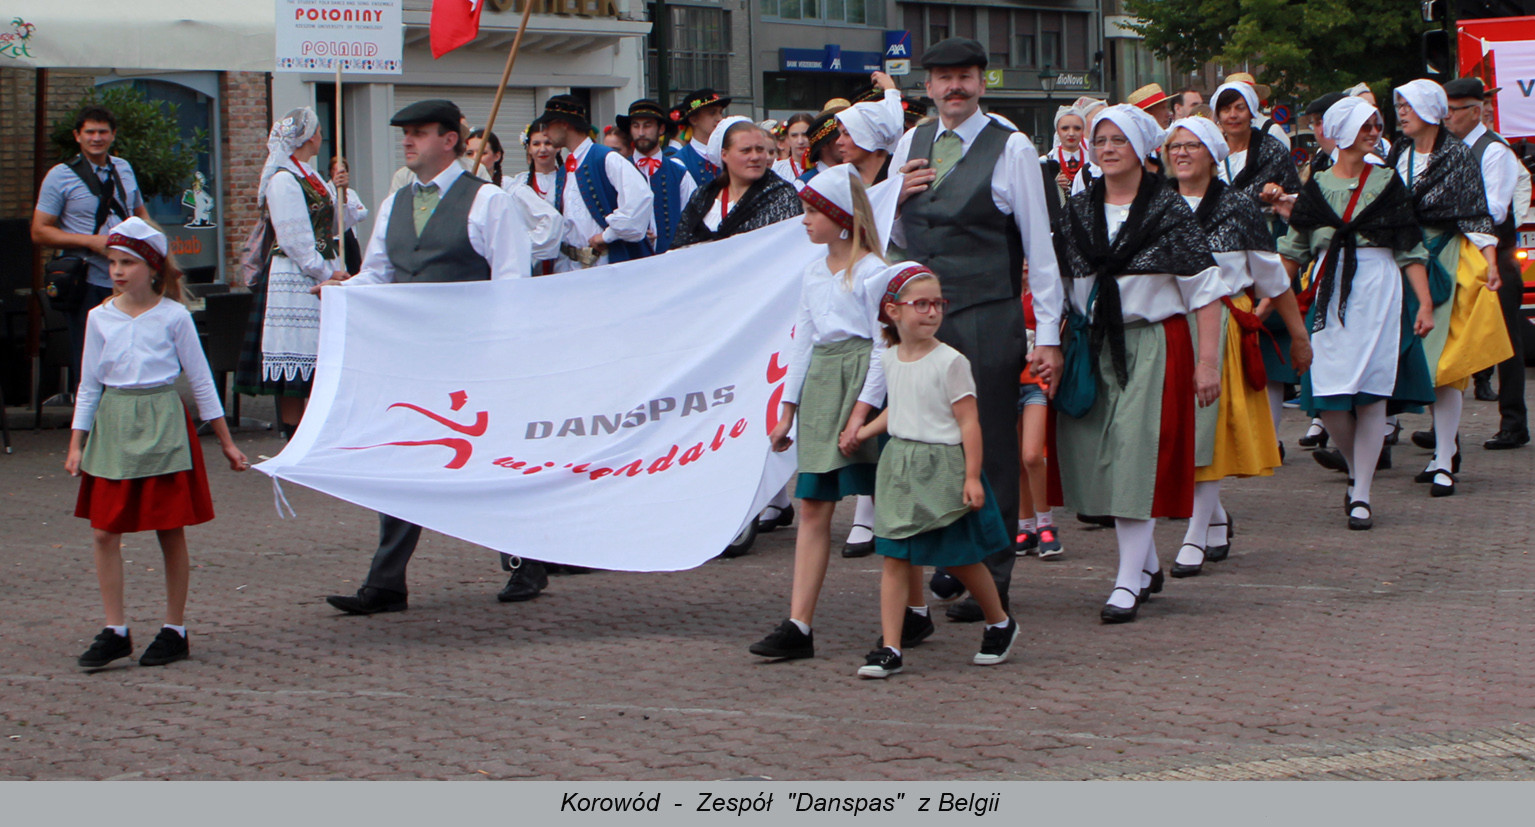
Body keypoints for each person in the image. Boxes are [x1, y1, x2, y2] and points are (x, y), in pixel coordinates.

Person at [321, 99, 532, 615]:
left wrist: (504, 355)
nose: (407, 141)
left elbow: (512, 284)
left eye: (419, 132)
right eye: (405, 133)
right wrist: (342, 290)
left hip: (471, 360)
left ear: (450, 140)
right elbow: (379, 274)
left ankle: (525, 561)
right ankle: (386, 582)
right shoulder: (395, 203)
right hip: (412, 359)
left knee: (488, 458)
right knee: (403, 456)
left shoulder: (488, 201)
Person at [889, 37, 1065, 623]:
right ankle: (953, 562)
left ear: (982, 83)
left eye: (965, 76)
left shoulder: (1011, 146)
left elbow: (1040, 248)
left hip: (988, 312)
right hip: (921, 321)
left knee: (987, 445)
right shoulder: (911, 143)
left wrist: (1048, 336)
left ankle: (994, 576)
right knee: (926, 441)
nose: (954, 87)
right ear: (928, 87)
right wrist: (893, 198)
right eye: (943, 78)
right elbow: (893, 236)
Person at [1049, 105, 1225, 622]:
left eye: (1118, 140)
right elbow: (1056, 284)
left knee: (1133, 455)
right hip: (1090, 344)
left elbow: (1205, 292)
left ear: (1141, 147)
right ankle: (1145, 565)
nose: (1107, 149)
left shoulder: (1167, 211)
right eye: (1100, 140)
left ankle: (1126, 580)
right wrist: (1050, 344)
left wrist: (1207, 362)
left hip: (1151, 344)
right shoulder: (1078, 211)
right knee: (1094, 457)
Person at [66, 217, 249, 669]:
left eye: (127, 262)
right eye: (112, 262)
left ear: (151, 267)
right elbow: (88, 385)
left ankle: (174, 628)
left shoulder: (174, 316)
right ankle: (115, 629)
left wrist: (225, 441)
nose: (117, 271)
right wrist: (76, 442)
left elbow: (202, 381)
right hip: (114, 421)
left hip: (163, 420)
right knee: (104, 530)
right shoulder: (99, 318)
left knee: (169, 526)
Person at [749, 165, 896, 660]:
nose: (805, 220)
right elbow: (804, 342)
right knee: (812, 503)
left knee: (890, 506)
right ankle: (799, 624)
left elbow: (882, 347)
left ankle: (912, 610)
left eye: (814, 211)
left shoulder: (874, 272)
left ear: (841, 217)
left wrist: (861, 413)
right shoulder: (813, 272)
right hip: (822, 387)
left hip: (865, 385)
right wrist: (787, 409)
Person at [850, 265, 1019, 678]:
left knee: (960, 558)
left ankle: (999, 621)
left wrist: (972, 476)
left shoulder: (951, 361)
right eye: (921, 304)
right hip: (899, 467)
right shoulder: (890, 358)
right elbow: (898, 408)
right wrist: (862, 430)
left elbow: (968, 421)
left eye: (937, 304)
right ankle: (891, 648)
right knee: (894, 556)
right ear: (893, 311)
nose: (932, 312)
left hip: (941, 467)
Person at [1162, 116, 1311, 577]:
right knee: (1178, 434)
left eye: (1192, 145)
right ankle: (1216, 520)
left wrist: (1299, 337)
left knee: (1206, 434)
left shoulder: (1237, 207)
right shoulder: (1157, 205)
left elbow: (1272, 278)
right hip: (1168, 329)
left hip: (1222, 327)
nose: (1182, 153)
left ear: (1212, 154)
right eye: (1174, 146)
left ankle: (1195, 533)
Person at [1278, 97, 1434, 531]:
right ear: (1344, 131)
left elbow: (1409, 248)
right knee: (1328, 398)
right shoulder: (1317, 186)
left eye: (1376, 125)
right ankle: (1355, 466)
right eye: (1366, 126)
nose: (1374, 132)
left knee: (1372, 394)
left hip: (1378, 289)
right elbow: (1293, 249)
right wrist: (1268, 297)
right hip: (1330, 291)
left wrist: (1423, 302)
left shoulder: (1387, 182)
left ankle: (1361, 491)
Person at [1389, 80, 1510, 497]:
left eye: (1409, 105)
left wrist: (1491, 262)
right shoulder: (1399, 153)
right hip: (1403, 263)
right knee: (1415, 362)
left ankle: (1444, 459)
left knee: (1444, 366)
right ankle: (1434, 449)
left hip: (1443, 260)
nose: (1402, 112)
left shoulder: (1457, 155)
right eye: (1399, 105)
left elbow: (1475, 213)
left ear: (1429, 109)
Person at [232, 108, 352, 440]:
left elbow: (332, 225)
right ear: (308, 137)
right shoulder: (283, 179)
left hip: (318, 270)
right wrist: (326, 271)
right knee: (294, 362)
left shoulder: (310, 176)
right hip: (294, 277)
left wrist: (342, 195)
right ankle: (292, 436)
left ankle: (315, 436)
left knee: (317, 358)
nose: (321, 136)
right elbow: (293, 239)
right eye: (318, 130)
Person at [33, 105, 149, 401]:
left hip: (127, 281)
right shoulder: (60, 176)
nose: (96, 138)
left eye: (102, 132)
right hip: (86, 281)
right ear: (78, 136)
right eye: (90, 132)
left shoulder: (123, 169)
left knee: (130, 357)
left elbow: (141, 216)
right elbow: (39, 231)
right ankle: (91, 422)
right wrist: (91, 242)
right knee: (91, 362)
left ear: (113, 135)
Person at [1442, 77, 1527, 451]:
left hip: (1496, 258)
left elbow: (1495, 209)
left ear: (1475, 112)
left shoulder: (1494, 151)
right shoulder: (1452, 149)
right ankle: (1445, 426)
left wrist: (1448, 209)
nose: (1447, 118)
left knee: (1506, 341)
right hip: (1462, 256)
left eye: (1453, 111)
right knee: (1456, 340)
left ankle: (1514, 423)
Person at [535, 95, 654, 267]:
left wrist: (607, 236)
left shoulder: (606, 158)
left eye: (547, 125)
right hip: (570, 267)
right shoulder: (563, 171)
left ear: (564, 123)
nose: (545, 132)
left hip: (604, 265)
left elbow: (640, 198)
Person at [673, 118, 802, 249]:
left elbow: (788, 248)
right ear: (724, 154)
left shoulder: (782, 196)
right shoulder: (703, 196)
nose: (755, 157)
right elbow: (679, 247)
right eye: (746, 150)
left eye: (760, 149)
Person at [467, 129, 563, 275]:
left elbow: (552, 220)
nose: (476, 158)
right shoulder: (461, 191)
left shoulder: (511, 189)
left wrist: (516, 245)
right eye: (469, 153)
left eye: (483, 153)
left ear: (497, 156)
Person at [1012, 284, 1059, 558]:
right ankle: (1026, 525)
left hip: (1035, 385)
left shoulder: (1040, 293)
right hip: (1006, 385)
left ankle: (1046, 522)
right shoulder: (1002, 288)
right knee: (1016, 459)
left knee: (1032, 455)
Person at [622, 99, 696, 255]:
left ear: (661, 129)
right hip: (631, 261)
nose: (641, 133)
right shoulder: (620, 171)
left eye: (647, 125)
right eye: (635, 126)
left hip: (671, 261)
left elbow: (693, 220)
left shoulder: (679, 173)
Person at [509, 120, 568, 275]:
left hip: (564, 260)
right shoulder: (519, 184)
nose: (542, 149)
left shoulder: (569, 179)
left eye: (548, 143)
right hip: (532, 258)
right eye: (536, 144)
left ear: (558, 147)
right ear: (528, 148)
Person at [835, 72, 906, 185]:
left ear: (869, 137)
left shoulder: (898, 183)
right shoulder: (841, 184)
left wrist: (891, 91)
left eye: (847, 133)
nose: (838, 142)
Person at [670, 89, 731, 187]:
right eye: (712, 113)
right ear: (694, 119)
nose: (719, 119)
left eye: (720, 113)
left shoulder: (729, 155)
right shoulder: (678, 163)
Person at [328, 157, 369, 275]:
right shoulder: (327, 190)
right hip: (335, 239)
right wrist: (352, 211)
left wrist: (352, 213)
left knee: (355, 270)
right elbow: (335, 214)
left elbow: (363, 213)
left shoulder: (351, 193)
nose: (340, 174)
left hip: (350, 237)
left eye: (343, 171)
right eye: (336, 170)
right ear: (331, 171)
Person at [798, 108, 846, 184]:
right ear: (823, 145)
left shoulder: (854, 176)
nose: (843, 141)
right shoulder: (805, 183)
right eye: (838, 138)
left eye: (846, 135)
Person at [771, 113, 814, 182]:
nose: (800, 141)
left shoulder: (823, 167)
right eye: (794, 135)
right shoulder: (777, 170)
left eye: (805, 135)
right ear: (787, 138)